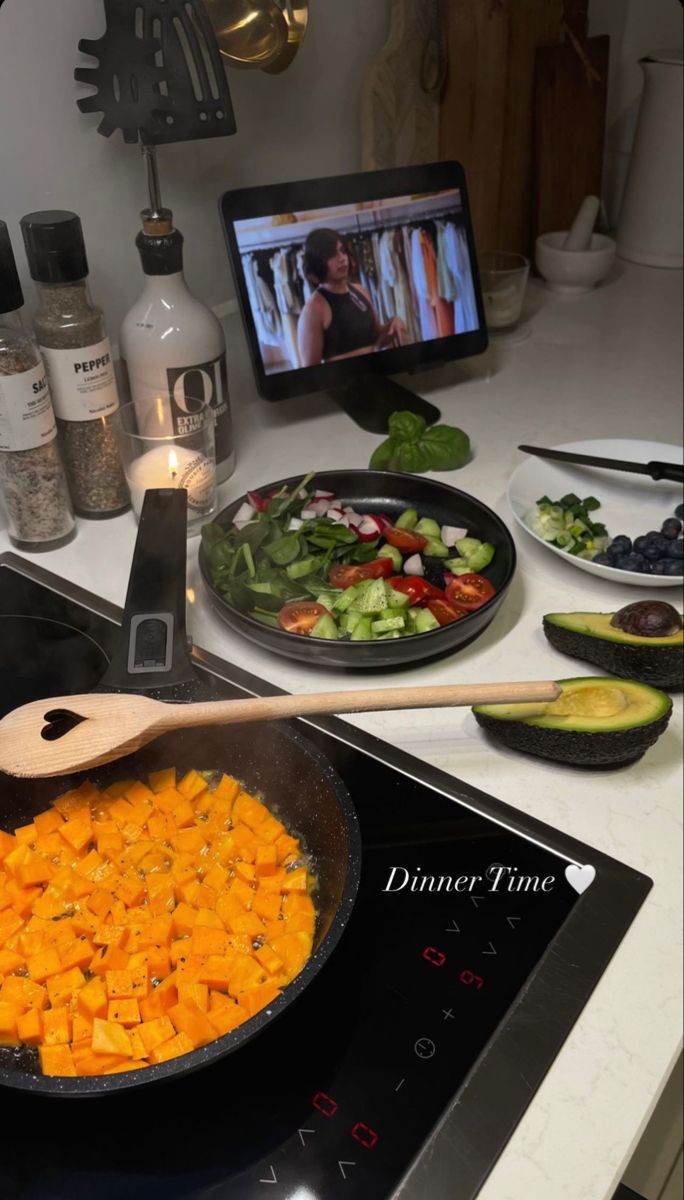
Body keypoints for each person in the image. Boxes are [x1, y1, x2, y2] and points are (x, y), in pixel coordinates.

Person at [298, 228, 408, 366]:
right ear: (318, 262)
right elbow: (311, 371)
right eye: (331, 254)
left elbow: (377, 339)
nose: (342, 258)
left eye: (342, 251)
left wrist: (393, 325)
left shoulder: (361, 291)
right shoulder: (313, 309)